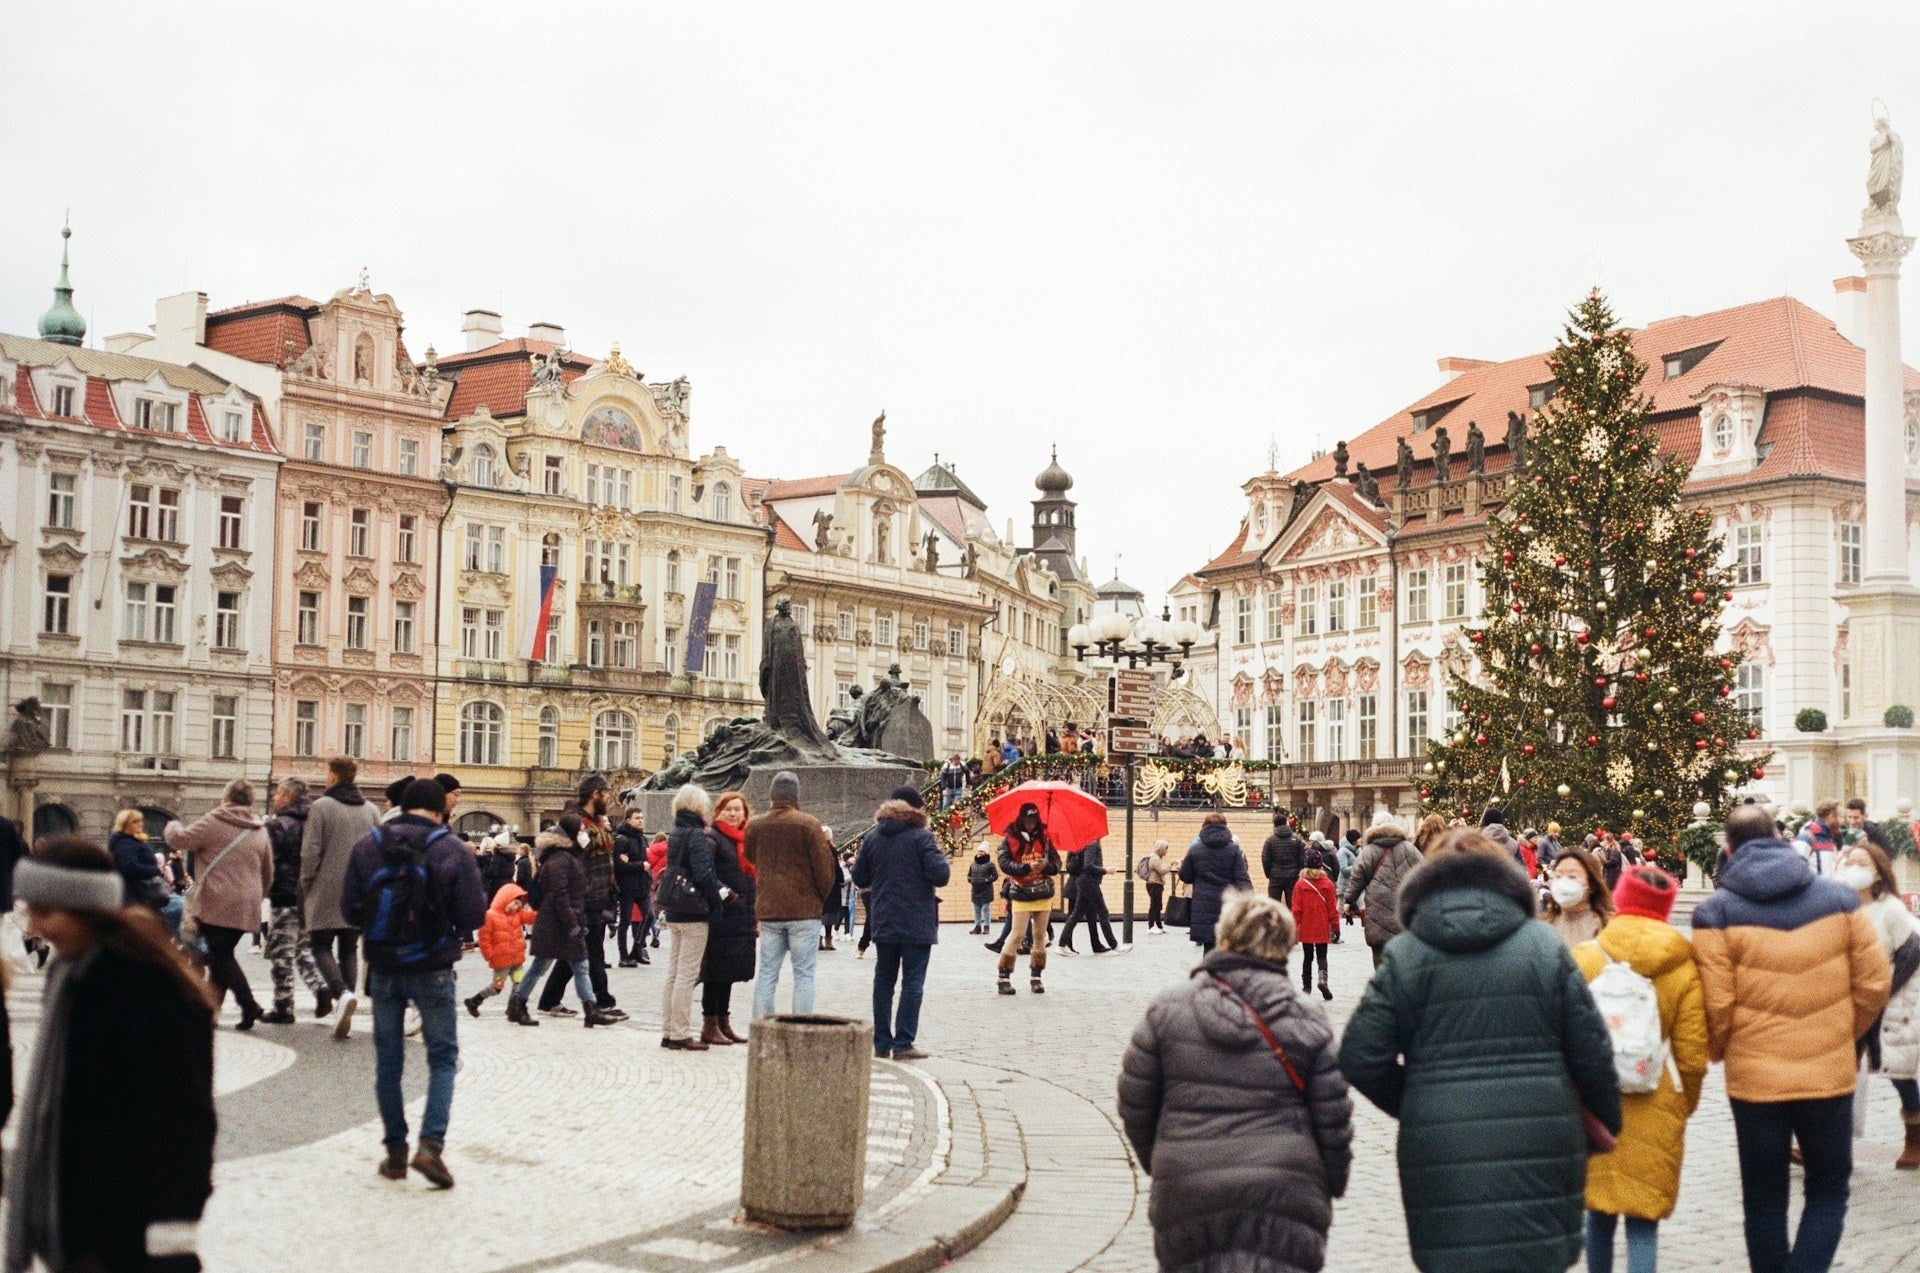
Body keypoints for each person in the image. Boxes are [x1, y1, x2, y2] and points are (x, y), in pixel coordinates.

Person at [1340, 828, 1621, 1273]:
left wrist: (1417, 1102)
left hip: (1441, 1141)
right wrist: (1606, 1117)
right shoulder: (1543, 946)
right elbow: (1593, 1049)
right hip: (1542, 1132)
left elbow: (1359, 1054)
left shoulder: (1408, 955)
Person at [1692, 803, 1891, 1273]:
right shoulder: (1840, 901)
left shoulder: (1714, 912)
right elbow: (1874, 982)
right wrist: (1844, 1034)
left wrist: (1724, 1050)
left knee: (1763, 1197)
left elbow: (1716, 1006)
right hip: (1828, 1074)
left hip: (1755, 1079)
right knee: (1827, 1189)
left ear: (1727, 849)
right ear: (1782, 839)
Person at [1117, 891, 1353, 1272]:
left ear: (1224, 939)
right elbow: (1333, 1116)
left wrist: (1162, 1160)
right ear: (1284, 947)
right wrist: (1331, 1179)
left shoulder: (1168, 1009)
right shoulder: (1307, 1016)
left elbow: (1136, 1102)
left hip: (1188, 1183)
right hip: (1286, 1184)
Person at [8, 838, 215, 1272]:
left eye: (46, 913)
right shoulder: (72, 972)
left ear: (88, 909)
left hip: (125, 1230)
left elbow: (184, 1116)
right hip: (80, 1219)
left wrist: (171, 1232)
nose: (35, 927)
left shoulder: (141, 986)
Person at [341, 776, 488, 1187]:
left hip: (384, 965)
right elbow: (474, 915)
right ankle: (430, 1146)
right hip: (434, 966)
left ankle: (395, 1154)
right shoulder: (452, 849)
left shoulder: (368, 845)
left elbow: (350, 910)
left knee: (389, 1061)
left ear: (402, 806)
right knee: (442, 1059)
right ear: (440, 808)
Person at [1572, 866, 1709, 1273]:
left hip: (1592, 1103)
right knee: (1643, 1220)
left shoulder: (1585, 957)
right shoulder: (1682, 967)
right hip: (1654, 1095)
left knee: (1596, 1214)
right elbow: (1692, 1054)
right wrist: (1686, 1104)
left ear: (1619, 900)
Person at [1836, 840, 1920, 1168]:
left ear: (1877, 872)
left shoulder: (1890, 908)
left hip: (1885, 1004)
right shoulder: (1839, 907)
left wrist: (1888, 989)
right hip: (1849, 1000)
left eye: (1862, 863)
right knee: (1842, 1072)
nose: (1853, 868)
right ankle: (1831, 1143)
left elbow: (1912, 950)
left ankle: (1915, 1137)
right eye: (1849, 861)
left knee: (1898, 1071)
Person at [164, 780, 272, 1030]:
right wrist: (257, 896)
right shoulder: (260, 829)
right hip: (248, 901)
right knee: (221, 955)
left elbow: (178, 839)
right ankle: (213, 1009)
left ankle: (249, 1005)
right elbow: (268, 871)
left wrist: (172, 823)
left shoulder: (214, 821)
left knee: (220, 956)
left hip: (217, 901)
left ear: (227, 798)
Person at [852, 785, 950, 1059]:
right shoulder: (922, 837)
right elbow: (941, 875)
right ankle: (903, 1043)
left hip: (884, 919)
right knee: (912, 981)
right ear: (915, 809)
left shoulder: (873, 837)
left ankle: (882, 1043)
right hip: (916, 921)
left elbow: (859, 877)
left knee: (883, 979)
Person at [747, 771, 837, 1020]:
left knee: (767, 973)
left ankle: (762, 1026)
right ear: (796, 795)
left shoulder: (756, 824)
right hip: (804, 912)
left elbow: (750, 856)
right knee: (804, 975)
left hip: (769, 910)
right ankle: (801, 1026)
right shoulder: (808, 824)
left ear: (772, 795)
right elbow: (825, 869)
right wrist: (818, 899)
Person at [302, 755, 380, 1039]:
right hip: (360, 889)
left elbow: (310, 852)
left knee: (320, 945)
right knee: (349, 947)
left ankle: (341, 993)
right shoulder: (371, 810)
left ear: (333, 776)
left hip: (326, 886)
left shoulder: (321, 807)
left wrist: (306, 883)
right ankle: (344, 1005)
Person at [510, 818, 615, 1028]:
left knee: (577, 966)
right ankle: (518, 1005)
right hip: (558, 923)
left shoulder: (566, 857)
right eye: (582, 829)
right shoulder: (561, 859)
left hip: (559, 922)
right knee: (546, 967)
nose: (585, 833)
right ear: (571, 833)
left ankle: (589, 1010)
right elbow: (560, 895)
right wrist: (573, 925)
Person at [538, 776, 620, 1019]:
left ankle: (549, 999)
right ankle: (603, 1002)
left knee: (575, 950)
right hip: (584, 895)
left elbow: (604, 853)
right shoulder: (575, 822)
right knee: (593, 951)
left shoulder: (595, 822)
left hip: (598, 893)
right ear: (595, 794)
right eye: (606, 793)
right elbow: (579, 853)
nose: (608, 797)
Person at [660, 785, 727, 1050]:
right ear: (699, 807)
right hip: (693, 912)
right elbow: (703, 874)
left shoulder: (676, 831)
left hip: (674, 909)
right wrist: (715, 903)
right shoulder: (696, 834)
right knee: (687, 975)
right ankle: (680, 1033)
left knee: (673, 974)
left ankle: (668, 1031)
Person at [262, 778, 330, 1025]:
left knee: (281, 952)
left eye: (278, 793)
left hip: (284, 894)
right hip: (310, 895)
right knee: (303, 949)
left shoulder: (278, 825)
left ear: (289, 796)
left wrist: (266, 888)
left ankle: (283, 1005)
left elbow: (270, 862)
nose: (274, 798)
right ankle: (320, 988)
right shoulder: (315, 821)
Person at [700, 791, 759, 1046]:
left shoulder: (745, 840)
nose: (734, 814)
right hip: (722, 914)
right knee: (715, 972)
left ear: (746, 814)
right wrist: (727, 895)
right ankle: (709, 1023)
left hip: (742, 915)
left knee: (729, 971)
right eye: (728, 809)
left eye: (738, 809)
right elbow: (706, 873)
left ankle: (723, 1021)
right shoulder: (712, 837)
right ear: (718, 812)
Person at [1342, 812, 1422, 969]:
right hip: (1404, 908)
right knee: (1404, 952)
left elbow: (1357, 877)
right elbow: (1424, 873)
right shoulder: (1409, 848)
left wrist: (1349, 901)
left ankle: (1383, 984)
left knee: (1379, 954)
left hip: (1378, 908)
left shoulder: (1369, 851)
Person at [996, 802, 1060, 995]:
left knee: (1039, 935)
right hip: (1021, 891)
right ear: (1021, 820)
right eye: (1027, 820)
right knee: (1016, 935)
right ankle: (1003, 976)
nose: (1031, 824)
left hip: (1042, 891)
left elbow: (1057, 864)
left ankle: (1036, 976)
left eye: (1034, 820)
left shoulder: (1046, 839)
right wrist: (1025, 868)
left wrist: (1045, 865)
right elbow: (1004, 863)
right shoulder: (1009, 838)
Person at [1179, 812, 1252, 955]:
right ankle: (1224, 975)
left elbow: (1185, 875)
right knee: (1228, 945)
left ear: (1204, 827)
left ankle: (1208, 974)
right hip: (1227, 904)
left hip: (1203, 904)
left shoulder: (1195, 849)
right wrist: (1250, 900)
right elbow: (1242, 878)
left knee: (1208, 947)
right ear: (1225, 827)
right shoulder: (1233, 850)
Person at [466, 880, 537, 1020]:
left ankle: (513, 1010)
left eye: (519, 905)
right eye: (514, 903)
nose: (516, 907)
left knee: (519, 984)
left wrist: (543, 910)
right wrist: (489, 955)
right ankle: (474, 1001)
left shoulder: (517, 914)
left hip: (516, 959)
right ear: (505, 899)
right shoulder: (490, 916)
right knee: (497, 987)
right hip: (501, 961)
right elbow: (484, 938)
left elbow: (530, 917)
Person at [1291, 847, 1338, 1001]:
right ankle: (1322, 980)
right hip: (1322, 925)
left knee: (1307, 956)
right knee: (1322, 956)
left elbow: (1296, 909)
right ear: (1320, 865)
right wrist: (1336, 927)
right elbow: (1332, 908)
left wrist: (1293, 927)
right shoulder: (1328, 884)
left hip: (1306, 926)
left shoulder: (1300, 885)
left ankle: (1306, 987)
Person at [1544, 845, 1613, 947]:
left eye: (1572, 876)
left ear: (1592, 885)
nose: (1563, 882)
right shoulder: (1546, 925)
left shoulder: (1605, 925)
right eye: (1558, 876)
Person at [1059, 840, 1119, 955]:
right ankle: (1066, 944)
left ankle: (1068, 944)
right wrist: (1105, 870)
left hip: (1081, 882)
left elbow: (1072, 865)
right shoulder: (1089, 844)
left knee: (1085, 915)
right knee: (1086, 914)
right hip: (1083, 882)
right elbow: (1087, 865)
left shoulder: (1079, 844)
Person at [613, 807, 652, 967]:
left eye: (642, 817)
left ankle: (637, 948)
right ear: (628, 820)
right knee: (625, 921)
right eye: (637, 818)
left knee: (649, 916)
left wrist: (643, 870)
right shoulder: (622, 839)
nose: (640, 820)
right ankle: (623, 956)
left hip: (642, 885)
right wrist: (640, 866)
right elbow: (620, 865)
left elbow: (638, 860)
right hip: (627, 886)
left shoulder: (642, 838)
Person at [1261, 813, 1306, 907]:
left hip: (1275, 875)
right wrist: (1299, 872)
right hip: (1293, 876)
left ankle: (1274, 922)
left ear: (1274, 825)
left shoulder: (1270, 840)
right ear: (1286, 823)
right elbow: (1302, 859)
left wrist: (1269, 873)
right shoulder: (1296, 839)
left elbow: (1265, 859)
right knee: (1293, 904)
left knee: (1273, 905)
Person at [1795, 800, 1841, 876]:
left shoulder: (1830, 836)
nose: (1842, 821)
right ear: (1832, 816)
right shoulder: (1806, 837)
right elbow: (1795, 868)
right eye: (1841, 817)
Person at [967, 842, 997, 934]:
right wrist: (970, 880)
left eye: (981, 851)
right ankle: (977, 926)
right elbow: (969, 875)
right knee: (976, 909)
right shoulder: (973, 864)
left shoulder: (990, 864)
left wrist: (987, 880)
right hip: (975, 890)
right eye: (978, 851)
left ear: (986, 853)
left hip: (986, 890)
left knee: (985, 908)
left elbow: (995, 876)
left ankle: (986, 926)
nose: (979, 853)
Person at [1143, 840, 1171, 934]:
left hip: (1156, 883)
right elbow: (1162, 870)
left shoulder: (1157, 858)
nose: (1166, 851)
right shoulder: (1155, 858)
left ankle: (1159, 925)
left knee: (1158, 905)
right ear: (1161, 848)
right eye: (1165, 849)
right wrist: (1170, 864)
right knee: (1154, 905)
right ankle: (1151, 927)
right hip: (1154, 883)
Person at [1334, 832, 1358, 940]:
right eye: (1359, 838)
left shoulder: (1358, 850)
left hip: (1357, 883)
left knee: (1364, 907)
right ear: (1354, 840)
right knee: (1339, 909)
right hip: (1345, 884)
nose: (1361, 839)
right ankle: (1334, 932)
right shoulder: (1342, 852)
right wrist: (1358, 866)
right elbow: (1343, 869)